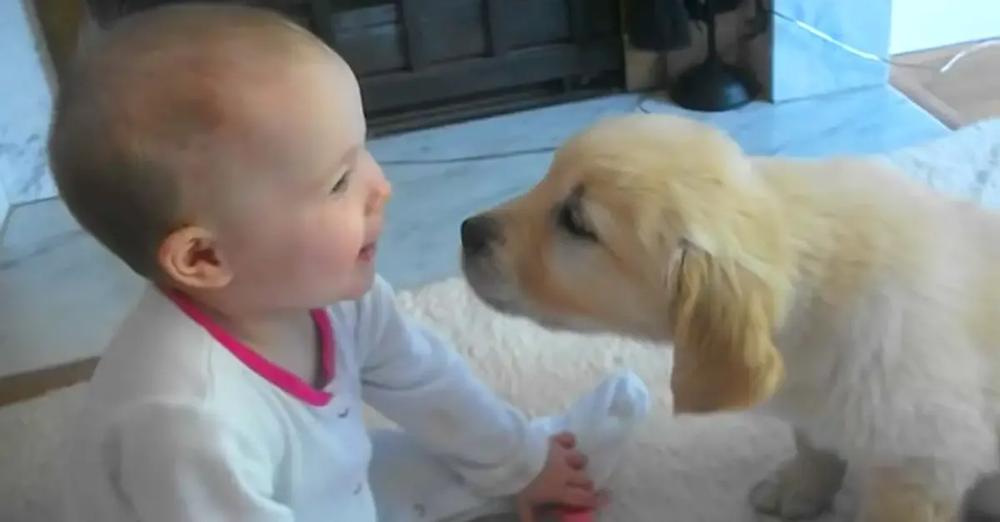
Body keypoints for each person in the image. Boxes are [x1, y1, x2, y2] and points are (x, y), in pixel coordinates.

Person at [51, 4, 648, 521]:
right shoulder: (189, 421)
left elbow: (424, 379)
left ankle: (537, 453)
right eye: (339, 180)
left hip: (318, 490)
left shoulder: (334, 293)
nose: (380, 185)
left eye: (364, 150)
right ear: (205, 256)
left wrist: (521, 462)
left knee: (427, 458)